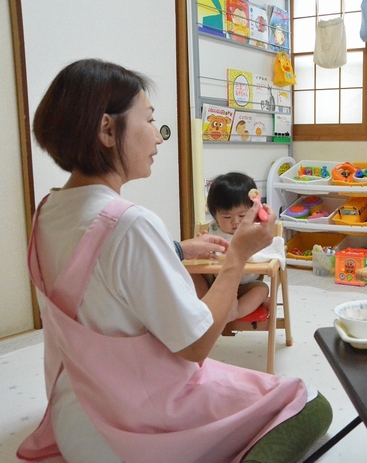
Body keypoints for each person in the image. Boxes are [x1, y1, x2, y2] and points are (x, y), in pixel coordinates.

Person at [17, 59, 331, 463]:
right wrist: (237, 254)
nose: (159, 137)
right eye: (148, 120)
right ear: (107, 130)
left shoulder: (48, 211)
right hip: (137, 433)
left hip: (74, 420)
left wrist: (179, 249)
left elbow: (95, 267)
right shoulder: (130, 223)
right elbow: (196, 346)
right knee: (308, 401)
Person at [190, 172, 270, 323]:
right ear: (214, 215)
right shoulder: (212, 232)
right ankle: (205, 309)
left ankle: (235, 312)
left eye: (242, 216)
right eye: (227, 217)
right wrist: (201, 251)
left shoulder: (255, 232)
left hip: (244, 285)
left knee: (261, 289)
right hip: (214, 286)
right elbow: (198, 262)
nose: (235, 222)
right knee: (191, 276)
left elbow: (267, 255)